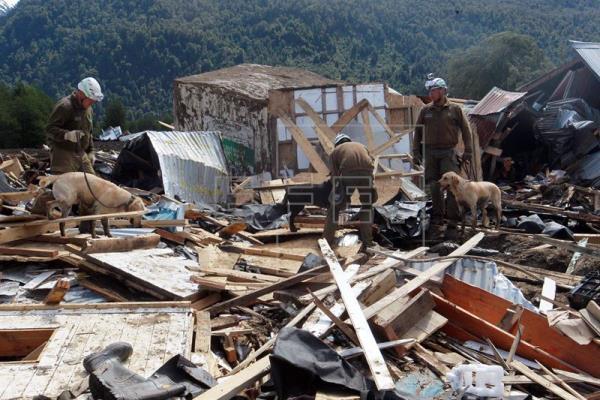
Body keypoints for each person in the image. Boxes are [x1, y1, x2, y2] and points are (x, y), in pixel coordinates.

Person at [412, 77, 473, 239]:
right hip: (430, 152)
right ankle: (438, 219)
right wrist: (416, 151)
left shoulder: (455, 109)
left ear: (442, 91)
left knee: (452, 186)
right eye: (430, 91)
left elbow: (466, 130)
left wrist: (468, 151)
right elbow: (417, 131)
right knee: (434, 186)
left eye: (433, 91)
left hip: (448, 152)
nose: (430, 94)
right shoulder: (426, 110)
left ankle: (452, 221)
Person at [323, 133, 377, 247]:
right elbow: (371, 162)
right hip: (367, 174)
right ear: (349, 140)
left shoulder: (336, 151)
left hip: (349, 173)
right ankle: (368, 243)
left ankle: (327, 242)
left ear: (337, 144)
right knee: (367, 207)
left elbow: (334, 176)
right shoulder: (362, 146)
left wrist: (338, 195)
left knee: (334, 209)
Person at [46, 77, 104, 174]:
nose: (92, 103)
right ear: (81, 94)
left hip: (81, 153)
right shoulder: (65, 107)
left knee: (91, 181)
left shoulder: (88, 109)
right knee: (66, 182)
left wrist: (91, 151)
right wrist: (67, 135)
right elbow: (49, 129)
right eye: (90, 100)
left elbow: (88, 132)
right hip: (63, 153)